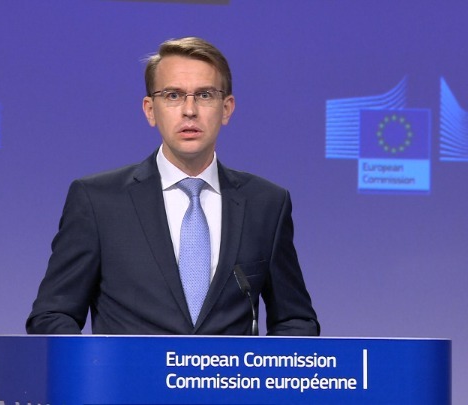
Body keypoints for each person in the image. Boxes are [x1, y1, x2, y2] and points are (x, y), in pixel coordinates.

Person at [26, 37, 319, 336]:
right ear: (150, 110)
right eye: (173, 95)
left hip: (229, 370)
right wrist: (96, 363)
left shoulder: (266, 204)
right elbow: (52, 315)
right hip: (129, 369)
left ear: (226, 108)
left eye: (204, 95)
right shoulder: (97, 201)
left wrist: (259, 365)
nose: (189, 110)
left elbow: (296, 320)